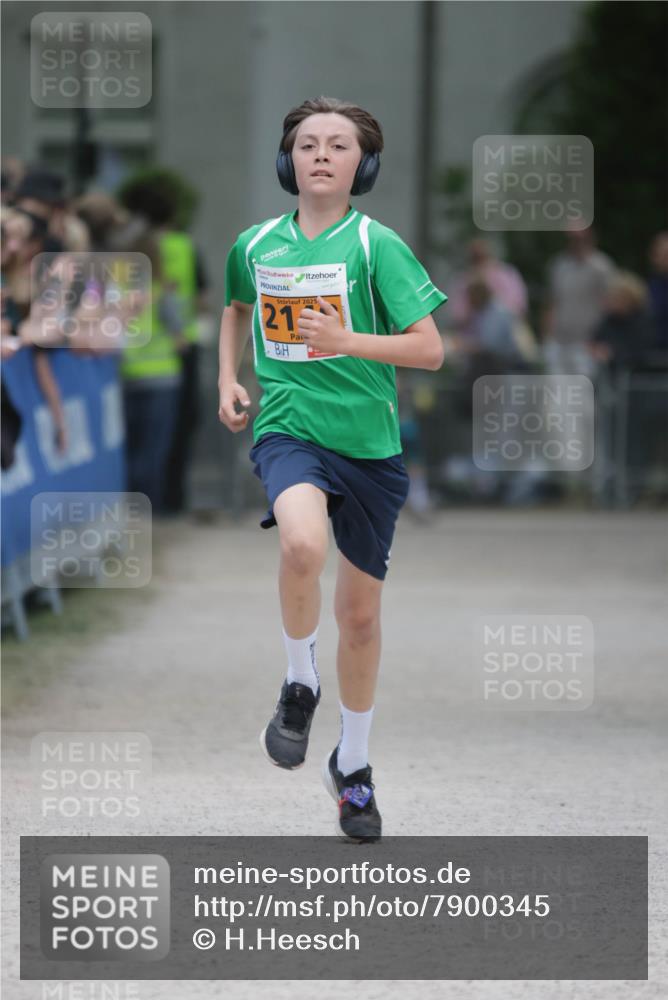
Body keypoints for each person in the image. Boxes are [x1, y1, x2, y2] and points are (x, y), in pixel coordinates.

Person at [218, 96, 447, 843]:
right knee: (300, 543)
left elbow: (430, 349)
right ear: (287, 160)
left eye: (339, 144)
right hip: (289, 429)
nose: (321, 153)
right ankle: (298, 678)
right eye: (308, 143)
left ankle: (352, 766)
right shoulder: (254, 243)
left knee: (360, 618)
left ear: (363, 165)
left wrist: (346, 340)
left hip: (370, 448)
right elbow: (235, 307)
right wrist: (228, 378)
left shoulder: (377, 246)